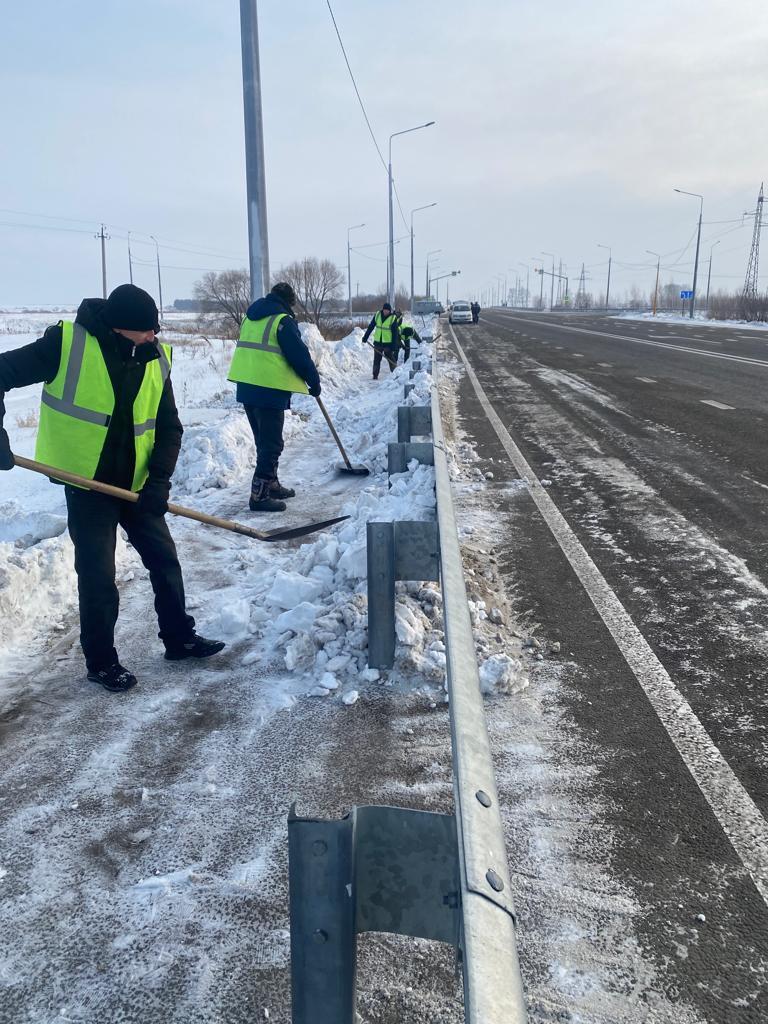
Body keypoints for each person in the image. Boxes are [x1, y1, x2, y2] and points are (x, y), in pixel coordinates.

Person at [0, 284, 225, 693]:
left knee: (165, 561)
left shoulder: (156, 357)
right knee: (99, 576)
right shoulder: (64, 344)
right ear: (121, 329)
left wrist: (159, 481)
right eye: (147, 330)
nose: (155, 337)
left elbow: (170, 426)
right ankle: (102, 662)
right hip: (88, 485)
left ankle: (179, 639)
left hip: (138, 487)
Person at [228, 282, 321, 512]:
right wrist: (314, 380)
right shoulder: (282, 321)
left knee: (264, 441)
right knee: (271, 444)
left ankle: (271, 484)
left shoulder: (251, 317)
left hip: (247, 387)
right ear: (289, 302)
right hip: (268, 389)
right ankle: (258, 496)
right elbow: (299, 355)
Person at [361, 302, 400, 378]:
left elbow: (395, 334)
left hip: (387, 344)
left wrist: (394, 346)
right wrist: (365, 337)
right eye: (384, 310)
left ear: (390, 311)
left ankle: (396, 374)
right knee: (376, 360)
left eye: (387, 310)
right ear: (383, 309)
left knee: (390, 359)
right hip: (378, 342)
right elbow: (371, 327)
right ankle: (375, 375)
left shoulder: (392, 318)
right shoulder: (377, 315)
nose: (386, 311)